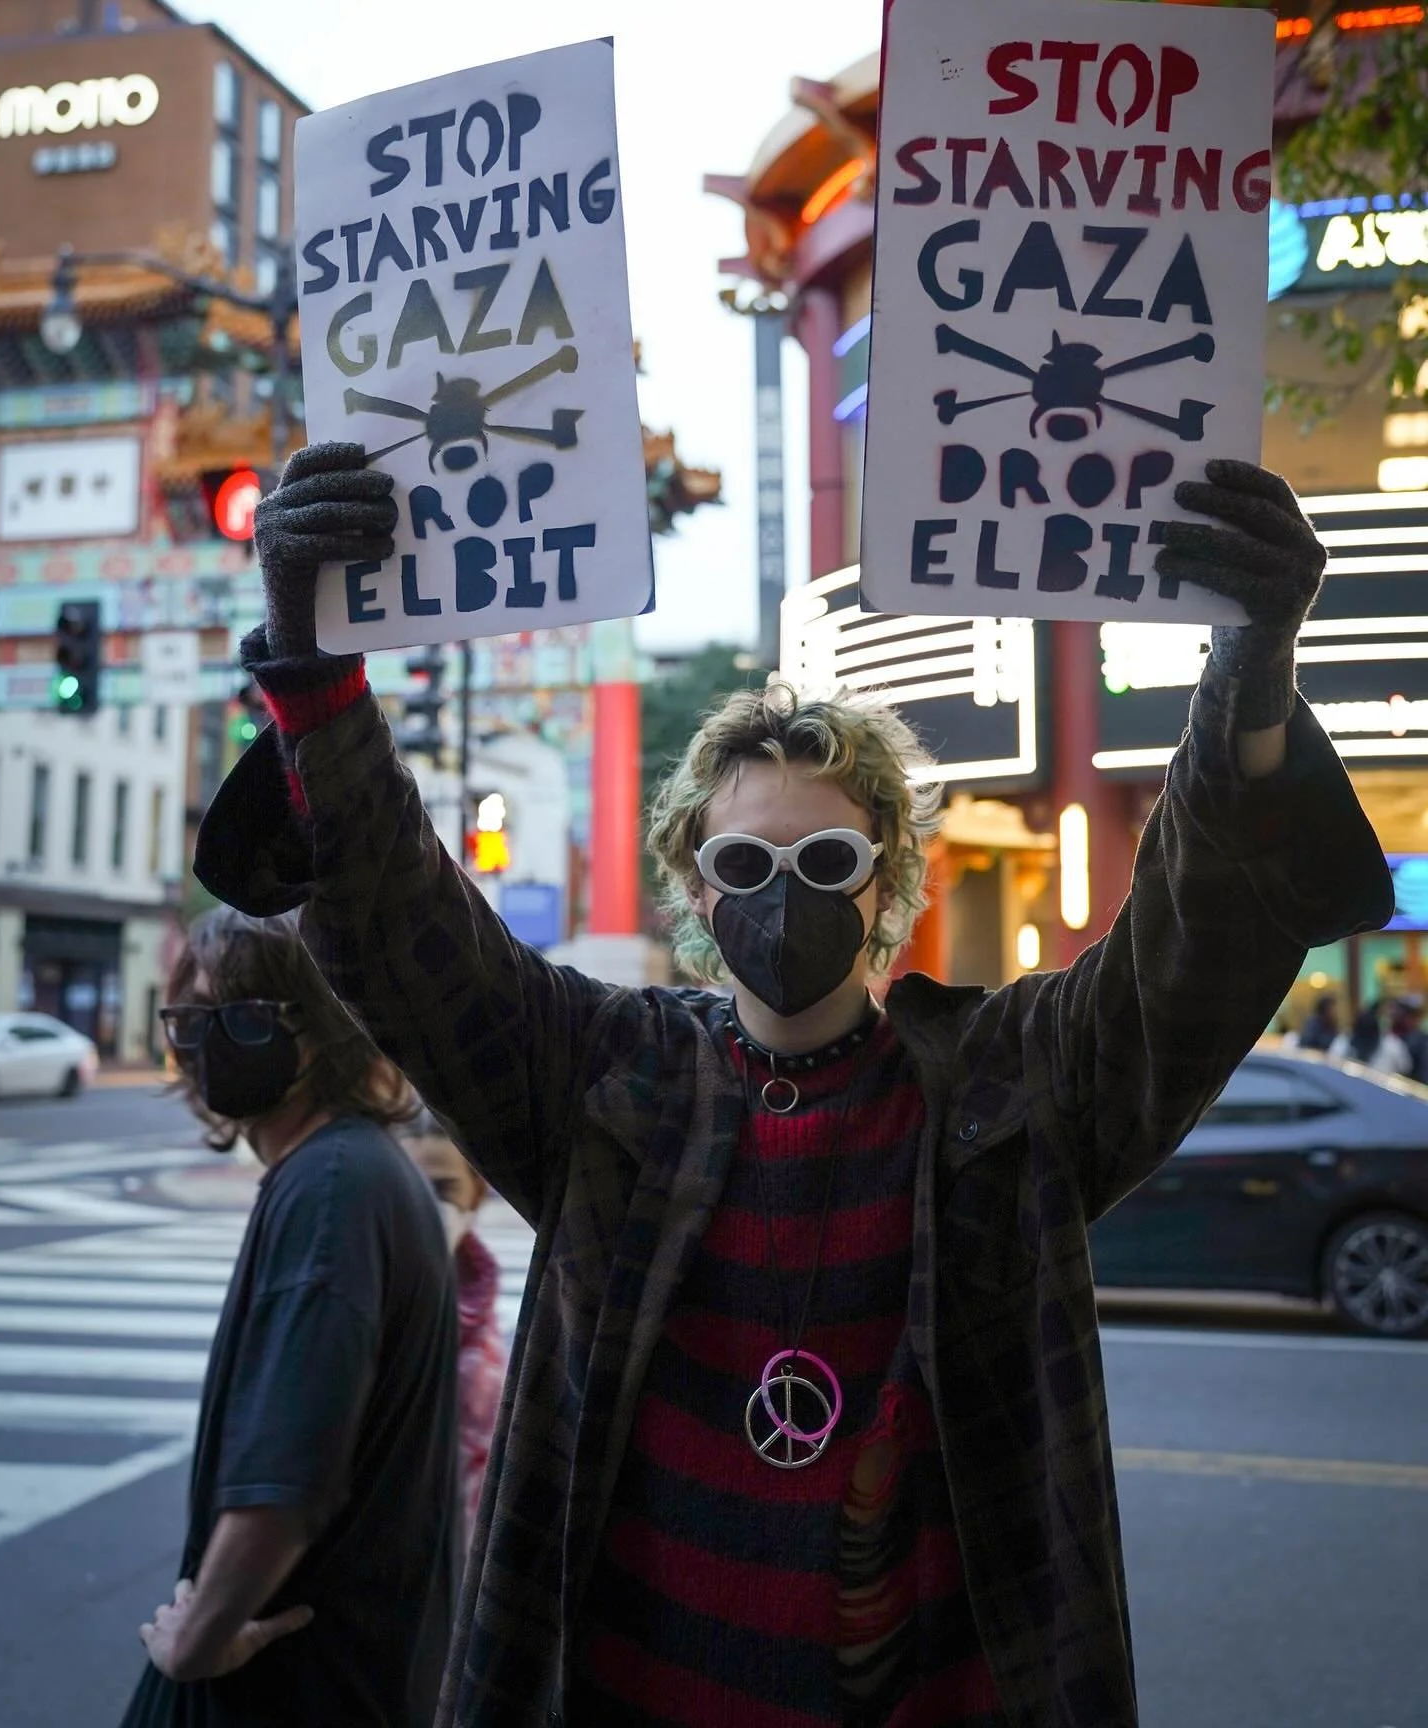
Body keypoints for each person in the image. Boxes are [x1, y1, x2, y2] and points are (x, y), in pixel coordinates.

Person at [196, 446, 1393, 1728]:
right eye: (743, 863)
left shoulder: (1013, 1083)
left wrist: (1252, 670)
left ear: (886, 887)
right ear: (695, 889)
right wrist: (312, 668)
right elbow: (403, 920)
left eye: (828, 858)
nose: (784, 897)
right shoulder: (602, 1078)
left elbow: (1189, 947)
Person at [119, 907, 460, 1728]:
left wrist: (197, 1641)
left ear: (324, 1031)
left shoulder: (333, 1189)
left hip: (294, 1691)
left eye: (243, 1018)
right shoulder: (343, 1172)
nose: (209, 1045)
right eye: (190, 1020)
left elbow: (284, 1483)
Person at [403, 1113, 509, 1544]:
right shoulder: (360, 1297)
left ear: (475, 1193)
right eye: (411, 1188)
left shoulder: (481, 1326)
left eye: (443, 1189)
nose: (426, 1206)